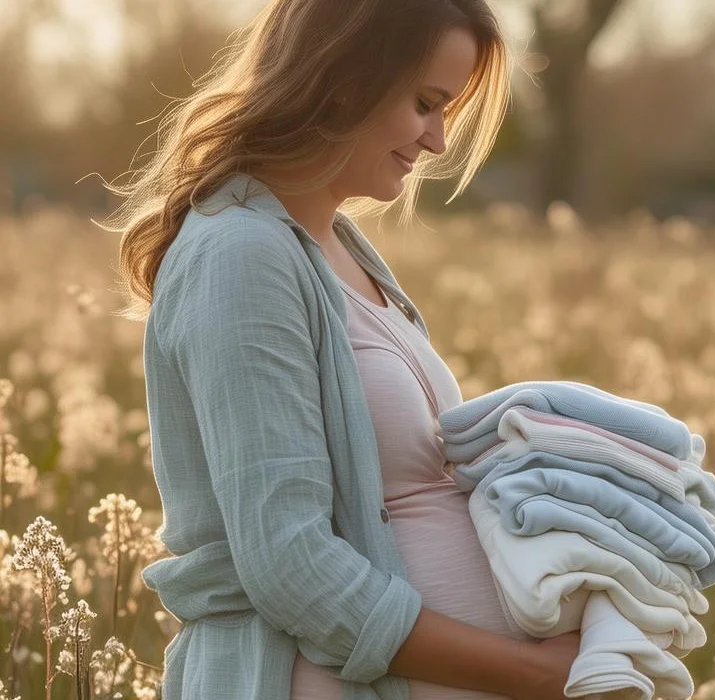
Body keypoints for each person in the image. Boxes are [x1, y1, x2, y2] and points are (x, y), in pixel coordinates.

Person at [98, 2, 581, 700]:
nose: (438, 141)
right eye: (425, 104)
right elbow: (290, 563)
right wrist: (532, 672)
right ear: (344, 78)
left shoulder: (343, 248)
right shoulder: (242, 253)